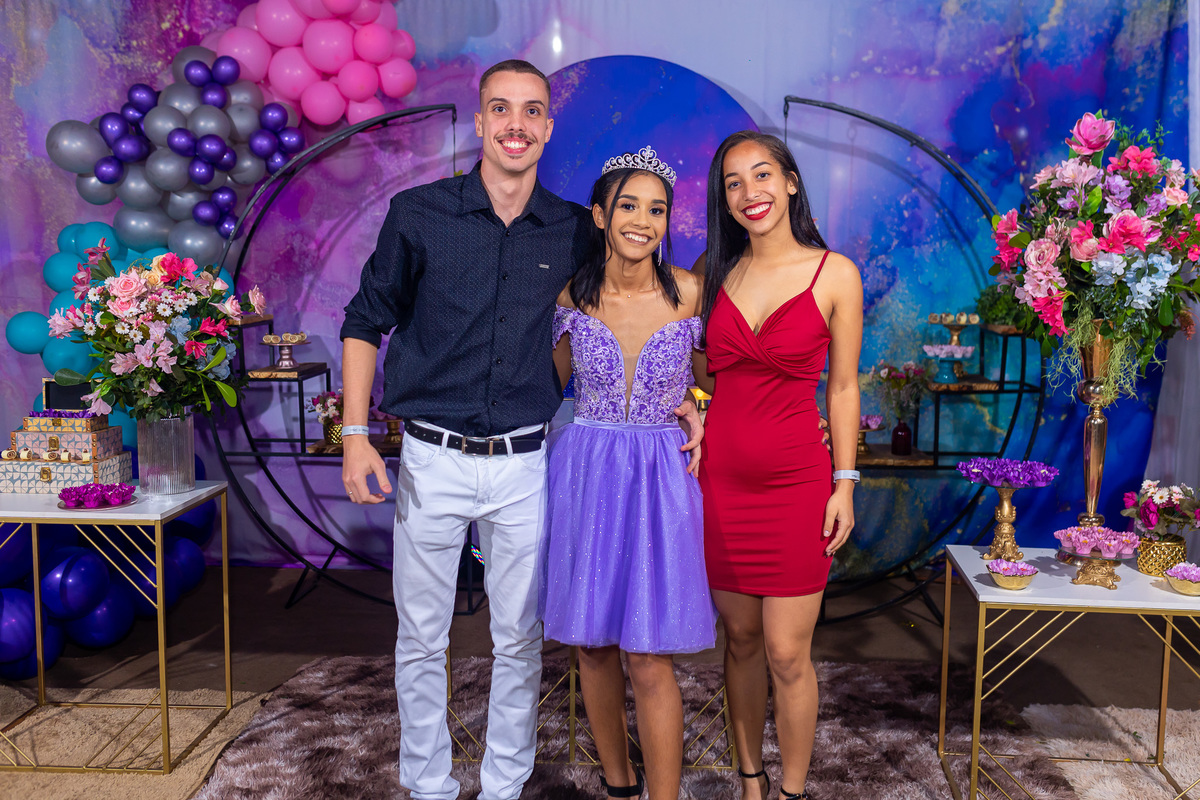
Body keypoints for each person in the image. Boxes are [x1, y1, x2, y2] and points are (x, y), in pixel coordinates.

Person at [339, 61, 702, 799]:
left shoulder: (573, 229)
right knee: (421, 636)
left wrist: (686, 396)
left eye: (532, 110)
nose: (515, 124)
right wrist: (353, 434)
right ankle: (429, 785)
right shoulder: (419, 213)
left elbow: (631, 306)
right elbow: (364, 319)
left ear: (548, 127)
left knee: (519, 638)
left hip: (527, 461)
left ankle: (505, 785)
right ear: (480, 122)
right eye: (500, 109)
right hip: (433, 455)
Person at [693, 131, 862, 800]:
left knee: (788, 652)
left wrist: (845, 482)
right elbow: (698, 368)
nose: (749, 192)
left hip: (798, 484)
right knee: (738, 640)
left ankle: (792, 790)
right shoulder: (712, 272)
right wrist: (686, 407)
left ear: (790, 182)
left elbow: (842, 388)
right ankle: (751, 781)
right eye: (733, 182)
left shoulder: (835, 273)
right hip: (722, 483)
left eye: (762, 175)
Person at [542, 147, 715, 799]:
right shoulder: (572, 297)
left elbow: (718, 381)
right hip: (587, 473)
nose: (643, 221)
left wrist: (701, 409)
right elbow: (543, 389)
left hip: (660, 478)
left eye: (657, 209)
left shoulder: (691, 295)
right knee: (591, 645)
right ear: (600, 215)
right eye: (628, 206)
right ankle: (618, 784)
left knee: (647, 653)